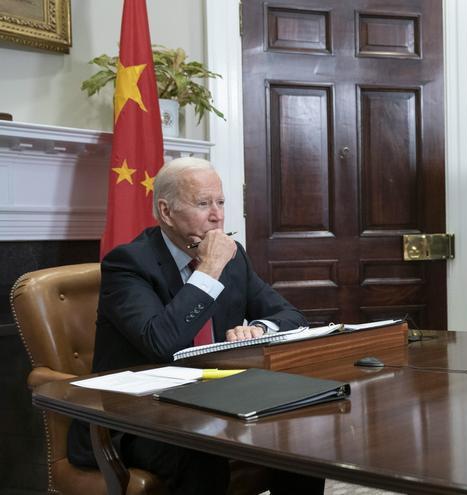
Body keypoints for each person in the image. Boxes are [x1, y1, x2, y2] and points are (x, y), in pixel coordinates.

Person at [67, 157, 322, 494]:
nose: (216, 215)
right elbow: (162, 343)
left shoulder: (234, 257)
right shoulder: (128, 264)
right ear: (166, 211)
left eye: (220, 202)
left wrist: (258, 328)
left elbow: (292, 318)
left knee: (298, 433)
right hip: (134, 418)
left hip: (216, 401)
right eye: (203, 204)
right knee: (200, 448)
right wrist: (210, 268)